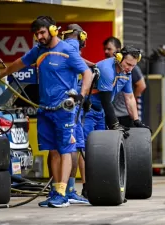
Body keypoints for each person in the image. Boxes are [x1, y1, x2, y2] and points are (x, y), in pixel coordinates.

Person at [0, 16, 93, 208]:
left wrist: (80, 96)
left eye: (42, 32)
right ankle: (55, 191)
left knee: (65, 148)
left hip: (64, 109)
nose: (39, 37)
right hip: (45, 109)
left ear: (53, 30)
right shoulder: (38, 51)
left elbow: (87, 73)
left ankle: (62, 192)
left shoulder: (68, 50)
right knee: (52, 150)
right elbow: (18, 63)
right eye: (36, 34)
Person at [61, 23, 95, 203]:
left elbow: (79, 61)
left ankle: (61, 189)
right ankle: (70, 190)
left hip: (58, 102)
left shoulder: (61, 46)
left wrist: (93, 64)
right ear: (81, 36)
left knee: (63, 147)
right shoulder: (73, 44)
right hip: (71, 103)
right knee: (74, 145)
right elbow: (82, 67)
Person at [103, 36, 146, 127]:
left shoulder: (128, 68)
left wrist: (136, 119)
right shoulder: (106, 68)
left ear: (118, 52)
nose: (106, 51)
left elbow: (141, 86)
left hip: (124, 112)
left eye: (109, 49)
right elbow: (105, 100)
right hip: (108, 113)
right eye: (105, 49)